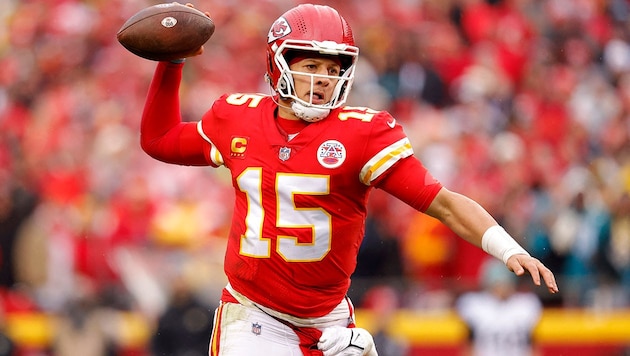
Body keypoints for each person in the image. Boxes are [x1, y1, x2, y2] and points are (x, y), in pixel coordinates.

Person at [138, 3, 559, 355]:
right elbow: (159, 140)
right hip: (254, 314)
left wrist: (507, 249)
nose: (322, 79)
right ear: (278, 62)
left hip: (330, 319)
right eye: (310, 65)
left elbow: (443, 202)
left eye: (331, 67)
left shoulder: (364, 133)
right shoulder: (238, 118)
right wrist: (170, 63)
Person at [455, 258, 543, 356]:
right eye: (499, 283)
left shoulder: (525, 304)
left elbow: (532, 344)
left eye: (506, 283)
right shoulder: (475, 305)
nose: (503, 288)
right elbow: (469, 344)